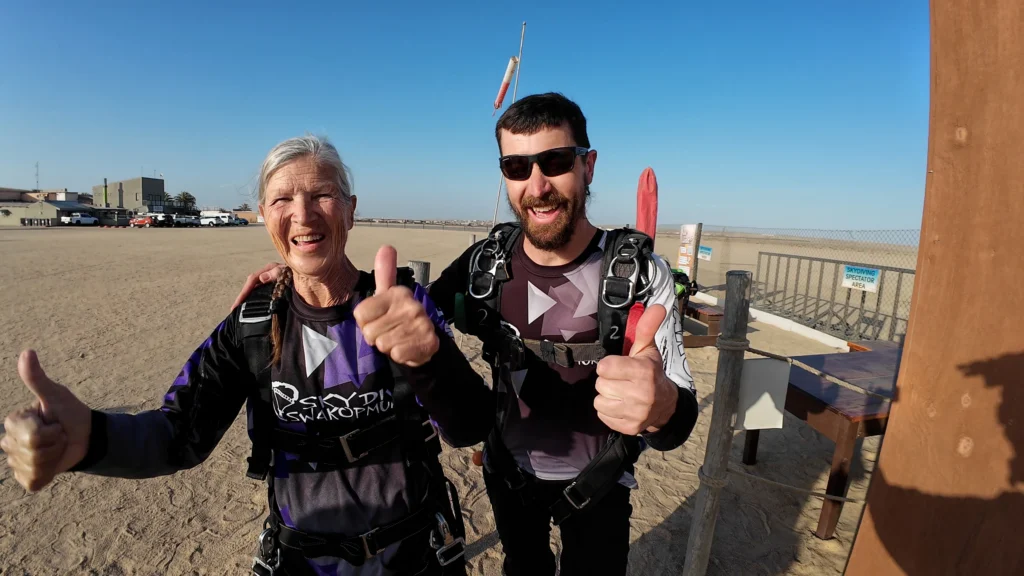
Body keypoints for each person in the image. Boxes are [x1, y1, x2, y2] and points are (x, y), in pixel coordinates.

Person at [235, 93, 700, 575]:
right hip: (510, 479)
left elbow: (678, 416)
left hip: (602, 483)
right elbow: (410, 323)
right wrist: (298, 276)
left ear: (589, 166)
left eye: (555, 161)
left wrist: (661, 405)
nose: (536, 185)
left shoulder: (640, 274)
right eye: (517, 167)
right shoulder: (485, 267)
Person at [0, 135, 494, 576]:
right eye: (283, 199)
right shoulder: (253, 325)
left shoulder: (400, 306)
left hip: (414, 556)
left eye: (322, 194)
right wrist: (92, 439)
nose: (303, 214)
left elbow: (471, 426)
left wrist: (430, 358)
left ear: (350, 209)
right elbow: (179, 435)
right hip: (300, 559)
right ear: (263, 214)